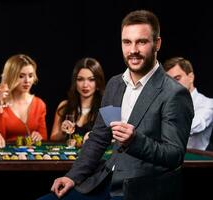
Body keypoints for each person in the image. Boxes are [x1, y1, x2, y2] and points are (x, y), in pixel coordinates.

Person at [37, 10, 194, 200]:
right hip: (103, 182)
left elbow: (174, 156)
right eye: (127, 42)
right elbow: (99, 139)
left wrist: (134, 140)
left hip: (140, 190)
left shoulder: (175, 94)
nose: (133, 50)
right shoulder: (114, 85)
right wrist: (72, 176)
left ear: (157, 44)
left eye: (141, 42)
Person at [0, 54, 47, 143]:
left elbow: (44, 138)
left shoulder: (39, 104)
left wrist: (39, 136)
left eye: (30, 76)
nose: (27, 81)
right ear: (10, 77)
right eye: (21, 76)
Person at [50, 57, 105, 143]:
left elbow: (115, 140)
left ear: (98, 82)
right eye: (80, 79)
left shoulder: (106, 108)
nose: (85, 85)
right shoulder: (64, 106)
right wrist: (63, 132)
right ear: (75, 82)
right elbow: (53, 138)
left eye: (91, 79)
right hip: (68, 156)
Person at [163, 57, 213, 150]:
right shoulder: (166, 102)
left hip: (196, 161)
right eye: (169, 81)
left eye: (177, 78)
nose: (173, 84)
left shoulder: (208, 103)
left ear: (190, 77)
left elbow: (194, 126)